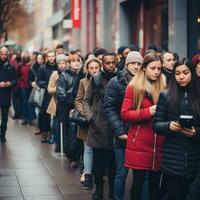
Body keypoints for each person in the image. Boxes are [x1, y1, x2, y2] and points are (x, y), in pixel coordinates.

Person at [153, 58, 200, 200]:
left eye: (185, 73)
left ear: (192, 73)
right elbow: (156, 124)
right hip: (172, 160)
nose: (181, 77)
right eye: (178, 73)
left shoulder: (198, 95)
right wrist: (169, 126)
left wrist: (196, 132)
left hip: (195, 159)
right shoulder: (166, 95)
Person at [121, 52, 165, 200]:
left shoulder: (164, 86)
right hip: (139, 143)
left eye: (159, 69)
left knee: (155, 186)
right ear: (144, 68)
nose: (156, 72)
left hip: (159, 143)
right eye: (153, 68)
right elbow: (125, 114)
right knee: (138, 184)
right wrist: (149, 111)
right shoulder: (134, 86)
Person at [104, 51, 143, 200]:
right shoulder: (116, 81)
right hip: (122, 133)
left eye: (139, 64)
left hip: (140, 133)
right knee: (121, 172)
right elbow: (109, 107)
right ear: (126, 64)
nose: (136, 66)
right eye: (133, 63)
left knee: (141, 174)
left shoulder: (145, 81)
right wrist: (119, 130)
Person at [83, 52, 117, 200]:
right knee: (98, 164)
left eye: (113, 62)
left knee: (113, 164)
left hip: (115, 127)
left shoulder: (120, 78)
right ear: (102, 63)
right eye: (107, 62)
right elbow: (86, 100)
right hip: (98, 127)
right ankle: (98, 190)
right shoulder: (96, 79)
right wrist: (91, 117)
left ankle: (112, 191)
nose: (110, 65)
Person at [75, 57, 101, 190]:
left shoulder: (105, 80)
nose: (94, 70)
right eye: (91, 68)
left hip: (102, 120)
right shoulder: (83, 82)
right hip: (87, 120)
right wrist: (85, 113)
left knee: (100, 150)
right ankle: (88, 176)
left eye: (96, 67)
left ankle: (99, 176)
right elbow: (78, 100)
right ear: (87, 69)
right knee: (88, 148)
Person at [56, 52, 84, 166]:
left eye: (78, 61)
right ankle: (72, 156)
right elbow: (60, 93)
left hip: (80, 108)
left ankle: (78, 156)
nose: (76, 63)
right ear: (69, 63)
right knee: (70, 133)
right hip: (67, 109)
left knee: (79, 133)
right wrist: (72, 101)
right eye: (73, 61)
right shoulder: (64, 75)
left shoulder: (83, 74)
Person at [37, 50, 58, 143]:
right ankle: (44, 134)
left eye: (52, 56)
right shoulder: (42, 68)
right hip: (45, 95)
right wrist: (47, 85)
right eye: (49, 56)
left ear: (55, 56)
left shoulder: (58, 67)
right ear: (47, 57)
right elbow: (38, 81)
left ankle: (51, 134)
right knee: (44, 115)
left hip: (56, 94)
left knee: (54, 116)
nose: (51, 58)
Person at [47, 54, 67, 146]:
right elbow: (49, 89)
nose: (62, 65)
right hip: (56, 103)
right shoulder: (54, 74)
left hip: (67, 103)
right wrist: (59, 88)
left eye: (64, 63)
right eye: (60, 63)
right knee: (56, 124)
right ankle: (57, 142)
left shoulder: (69, 73)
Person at [0, 47, 17, 142]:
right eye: (2, 54)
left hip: (6, 95)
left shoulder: (11, 67)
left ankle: (3, 134)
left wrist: (9, 83)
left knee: (5, 116)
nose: (3, 56)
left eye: (5, 54)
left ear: (8, 55)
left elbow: (15, 80)